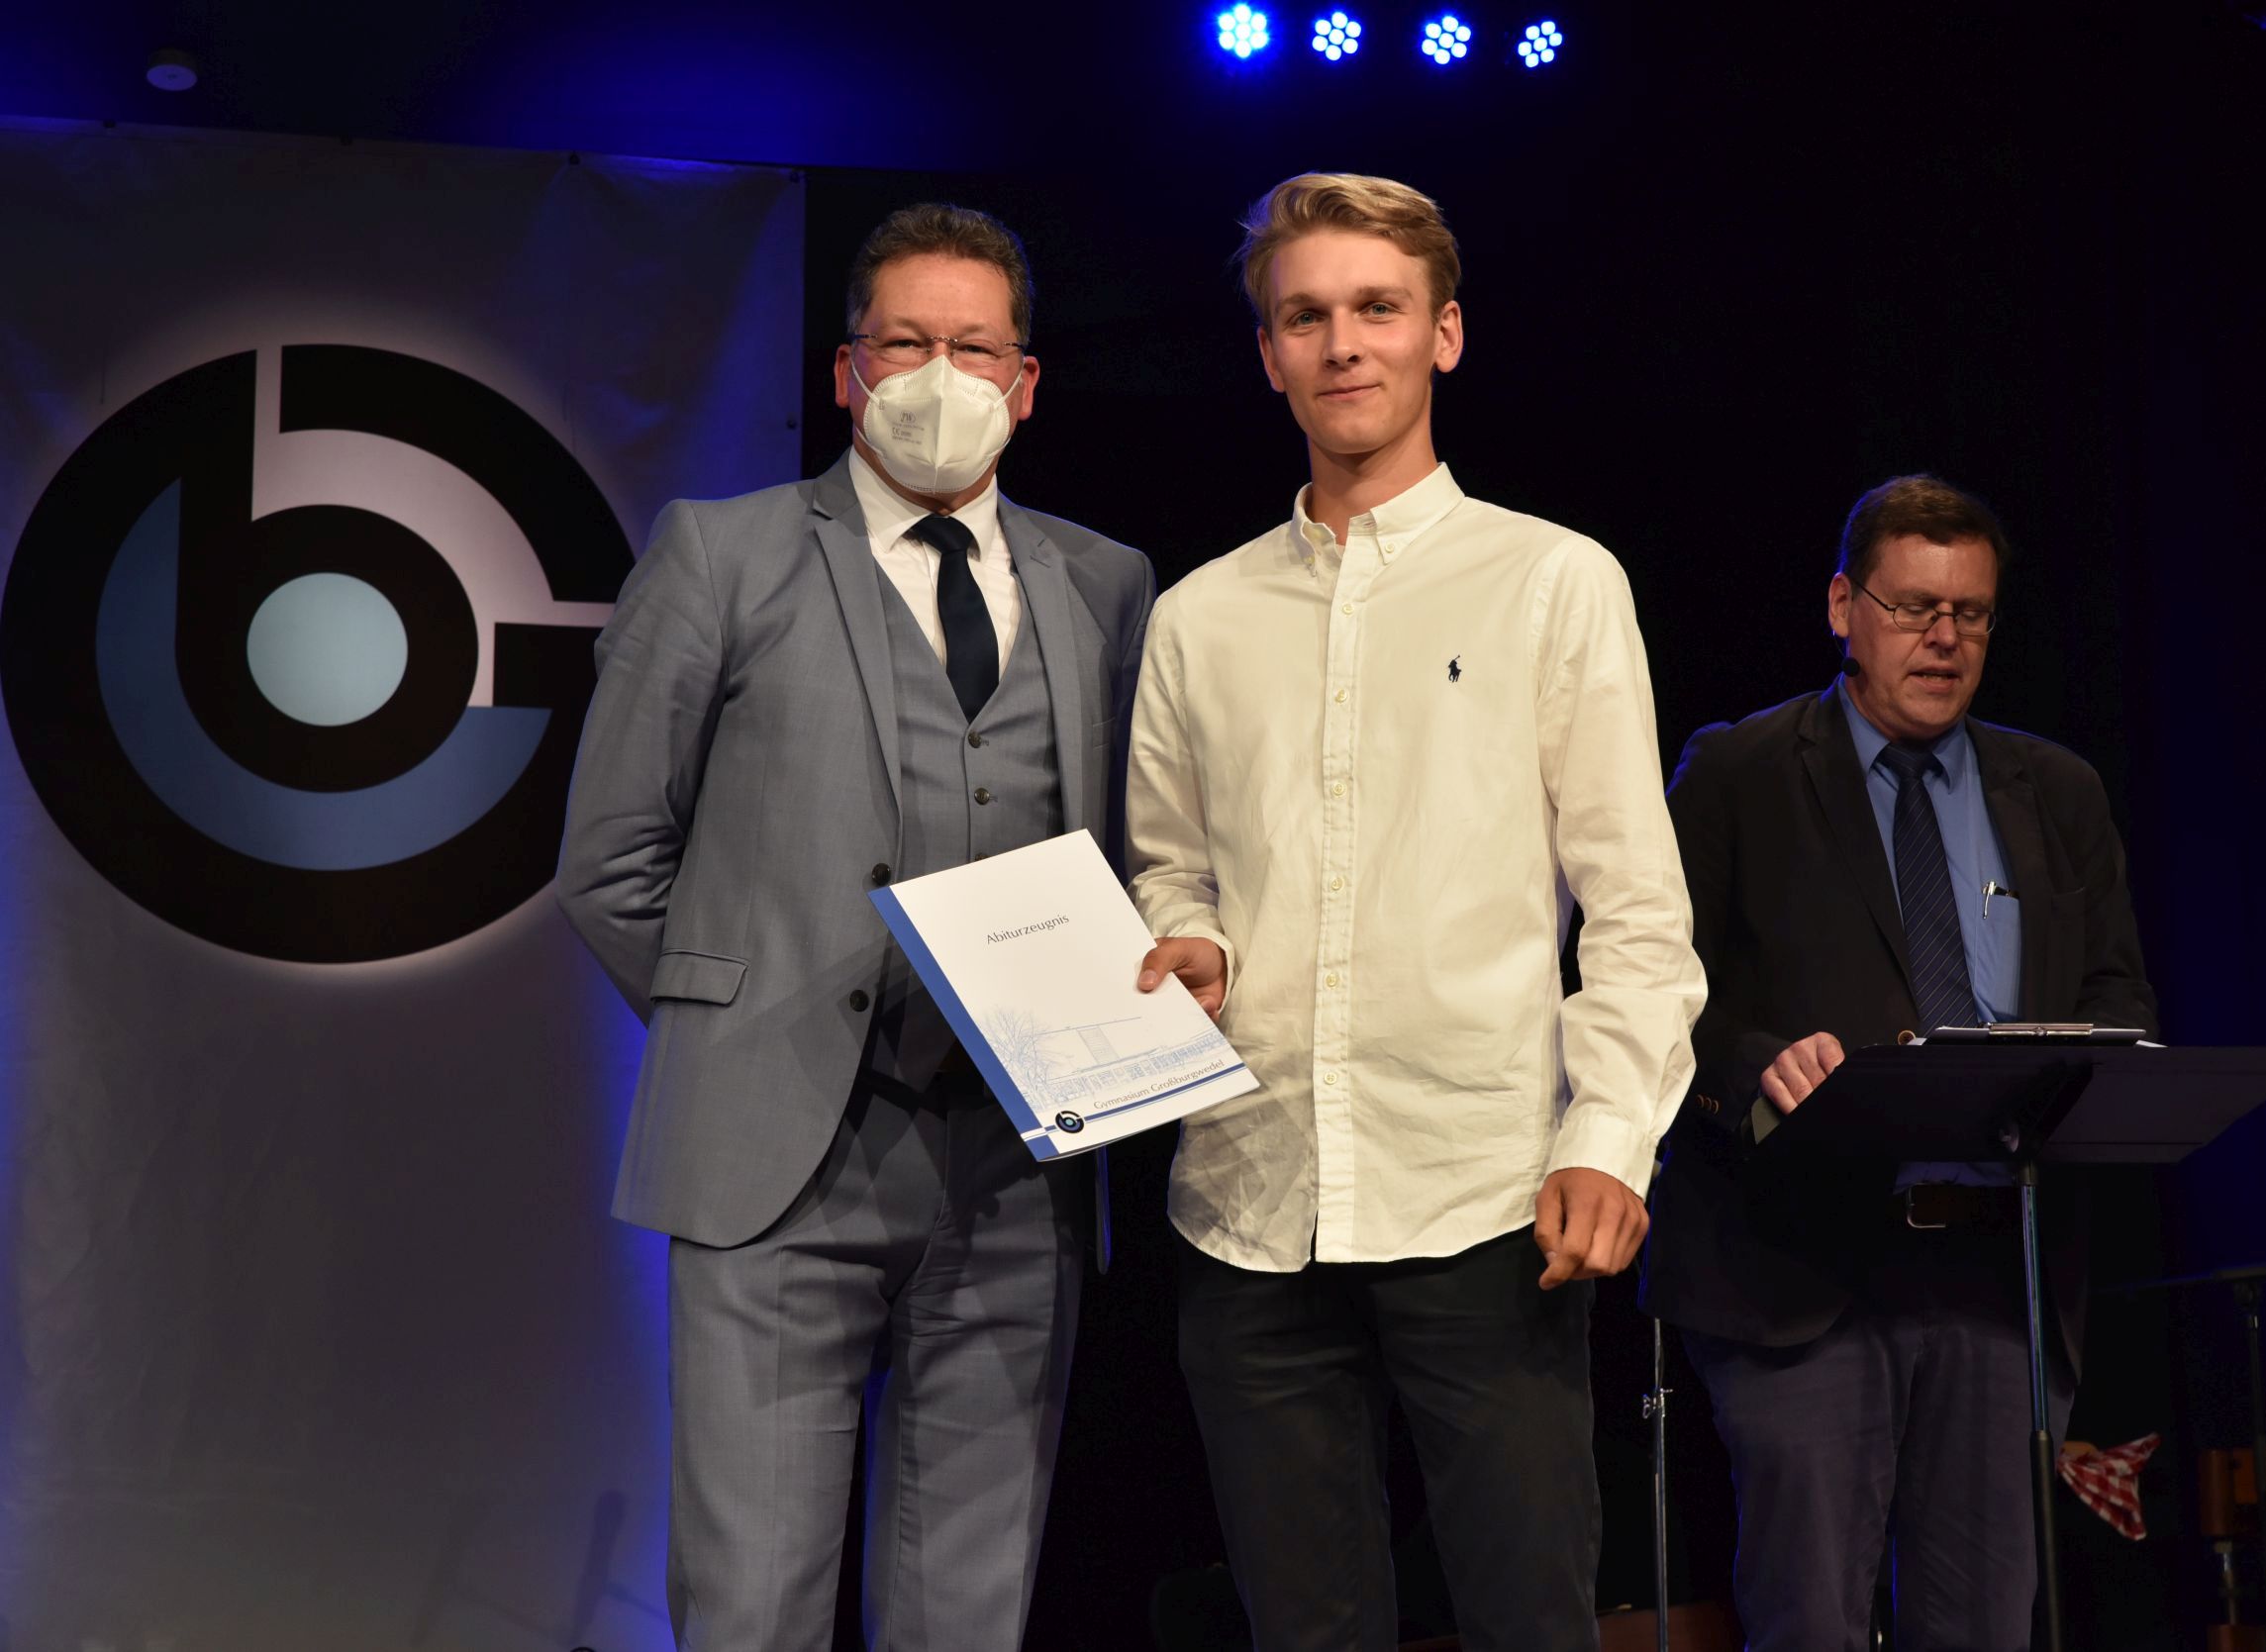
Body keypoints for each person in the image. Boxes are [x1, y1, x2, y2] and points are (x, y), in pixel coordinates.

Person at [555, 203, 1151, 1651]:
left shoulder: (1103, 582)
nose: (938, 375)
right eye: (904, 342)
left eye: (973, 348)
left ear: (1023, 382)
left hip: (1015, 1167)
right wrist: (742, 1029)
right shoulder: (723, 553)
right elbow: (613, 860)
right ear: (845, 371)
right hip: (779, 1162)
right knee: (753, 1604)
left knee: (970, 1610)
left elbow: (1135, 856)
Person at [1128, 172, 1707, 1652]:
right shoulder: (1198, 615)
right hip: (1252, 1197)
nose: (1342, 343)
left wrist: (1608, 1136)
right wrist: (1190, 937)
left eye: (1377, 308)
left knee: (1526, 1620)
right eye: (1304, 316)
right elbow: (1171, 867)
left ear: (1443, 333)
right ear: (1267, 353)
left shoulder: (1553, 580)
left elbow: (1636, 905)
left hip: (1484, 1191)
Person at [1642, 474, 2159, 1651]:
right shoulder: (1739, 772)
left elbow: (2117, 992)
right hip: (1800, 1269)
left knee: (1981, 1623)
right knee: (1811, 1620)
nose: (1943, 638)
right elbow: (1654, 983)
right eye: (1913, 606)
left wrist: (2077, 1064)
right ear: (1843, 607)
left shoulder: (2056, 790)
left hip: (1998, 1274)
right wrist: (1760, 1064)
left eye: (1969, 613)